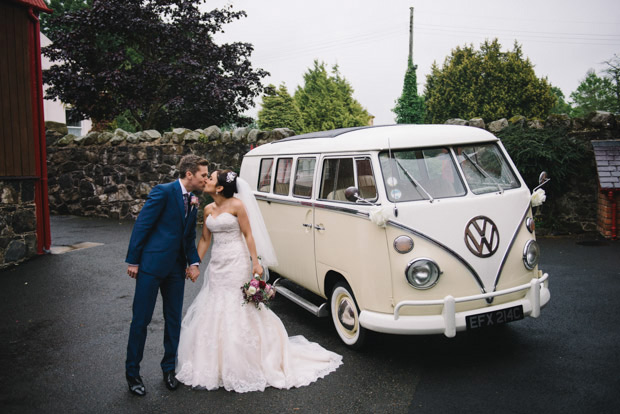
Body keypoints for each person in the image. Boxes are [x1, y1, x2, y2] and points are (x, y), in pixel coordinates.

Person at [176, 170, 342, 392]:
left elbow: (248, 235)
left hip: (237, 261)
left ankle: (249, 356)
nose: (205, 180)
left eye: (211, 178)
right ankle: (215, 358)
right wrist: (194, 264)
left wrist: (255, 263)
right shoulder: (207, 209)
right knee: (216, 303)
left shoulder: (237, 206)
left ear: (219, 188)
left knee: (238, 305)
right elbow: (205, 239)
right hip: (218, 265)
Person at [124, 154, 209, 396]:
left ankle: (169, 370)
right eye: (203, 175)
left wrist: (193, 262)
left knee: (173, 320)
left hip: (175, 269)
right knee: (140, 321)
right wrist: (134, 260)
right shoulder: (162, 192)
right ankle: (133, 374)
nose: (206, 179)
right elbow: (143, 225)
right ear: (189, 174)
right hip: (151, 266)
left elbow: (187, 237)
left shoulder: (193, 201)